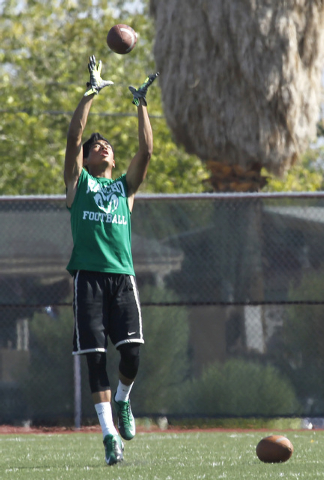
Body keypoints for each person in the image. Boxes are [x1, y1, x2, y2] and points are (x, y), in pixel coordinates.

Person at [64, 55, 159, 465]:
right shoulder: (78, 184)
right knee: (96, 359)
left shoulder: (125, 189)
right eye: (95, 147)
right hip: (88, 278)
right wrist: (90, 93)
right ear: (85, 161)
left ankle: (124, 400)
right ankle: (108, 437)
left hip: (122, 279)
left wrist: (141, 104)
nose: (101, 146)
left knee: (132, 355)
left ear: (114, 161)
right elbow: (74, 137)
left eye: (107, 146)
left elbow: (148, 150)